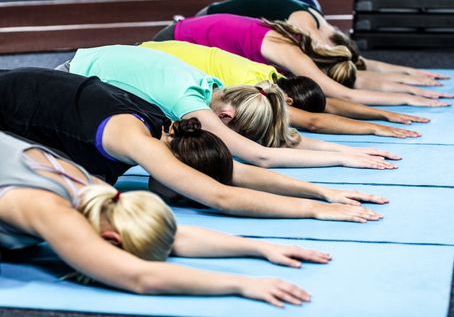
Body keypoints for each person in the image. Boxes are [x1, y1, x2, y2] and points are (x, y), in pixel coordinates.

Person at [0, 68, 386, 223]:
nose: (183, 195)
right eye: (186, 190)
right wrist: (315, 212)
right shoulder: (139, 140)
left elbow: (235, 173)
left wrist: (324, 191)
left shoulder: (170, 129)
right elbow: (222, 196)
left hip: (31, 96)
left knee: (94, 186)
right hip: (13, 98)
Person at [0, 130, 333, 307]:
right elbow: (138, 277)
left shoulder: (97, 192)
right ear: (111, 242)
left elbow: (173, 237)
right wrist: (242, 283)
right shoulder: (49, 208)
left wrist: (260, 248)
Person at [65, 44, 401, 169]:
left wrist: (342, 148)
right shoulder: (190, 103)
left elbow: (275, 142)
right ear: (226, 117)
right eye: (236, 133)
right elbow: (260, 155)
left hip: (98, 68)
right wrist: (341, 159)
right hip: (65, 82)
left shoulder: (216, 89)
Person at [141, 40, 429, 138]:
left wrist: (381, 115)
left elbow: (328, 104)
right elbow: (314, 122)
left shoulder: (273, 78)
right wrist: (374, 127)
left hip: (160, 52)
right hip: (154, 50)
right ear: (288, 99)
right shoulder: (253, 86)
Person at [152, 14, 454, 106]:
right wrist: (408, 99)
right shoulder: (290, 47)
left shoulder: (300, 39)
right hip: (171, 41)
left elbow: (359, 68)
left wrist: (412, 79)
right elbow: (340, 91)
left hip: (185, 37)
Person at [194, 0, 451, 85]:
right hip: (203, 19)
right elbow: (324, 76)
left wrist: (412, 73)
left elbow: (360, 62)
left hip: (219, 21)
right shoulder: (306, 27)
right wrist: (403, 90)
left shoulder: (322, 26)